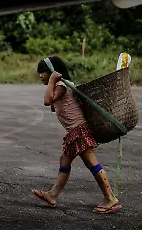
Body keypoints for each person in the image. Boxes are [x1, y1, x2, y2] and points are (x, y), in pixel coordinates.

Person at [31, 56, 121, 214]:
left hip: (79, 131)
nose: (40, 76)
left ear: (53, 72)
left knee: (92, 163)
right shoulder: (61, 85)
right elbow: (55, 106)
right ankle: (52, 195)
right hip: (73, 132)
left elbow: (47, 101)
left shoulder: (61, 85)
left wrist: (52, 81)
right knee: (64, 162)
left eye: (43, 72)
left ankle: (110, 198)